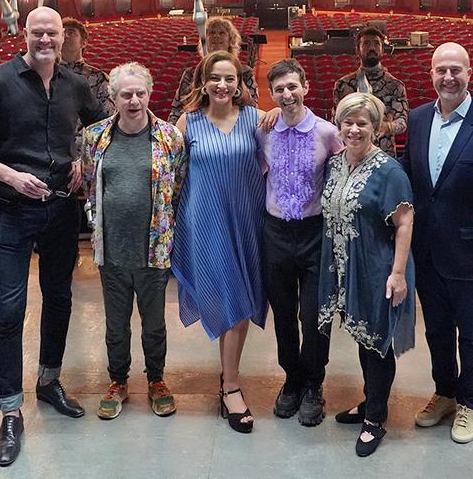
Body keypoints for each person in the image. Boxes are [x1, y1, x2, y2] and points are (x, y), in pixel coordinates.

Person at [0, 6, 107, 467]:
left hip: (60, 208)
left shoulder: (75, 84)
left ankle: (49, 381)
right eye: (37, 32)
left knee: (59, 299)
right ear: (24, 34)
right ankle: (10, 410)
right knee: (10, 308)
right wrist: (11, 176)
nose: (45, 40)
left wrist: (82, 156)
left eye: (52, 33)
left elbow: (100, 130)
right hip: (12, 210)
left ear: (63, 37)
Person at [400, 42, 473, 444]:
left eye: (456, 70)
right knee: (437, 332)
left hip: (470, 257)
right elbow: (410, 183)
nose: (448, 78)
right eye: (441, 70)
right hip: (426, 254)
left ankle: (469, 403)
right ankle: (445, 392)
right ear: (431, 74)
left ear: (470, 74)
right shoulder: (416, 120)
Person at [80, 62, 185, 420]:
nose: (135, 100)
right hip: (111, 250)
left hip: (154, 248)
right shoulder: (95, 137)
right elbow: (89, 186)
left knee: (154, 323)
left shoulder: (169, 137)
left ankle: (156, 380)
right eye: (126, 94)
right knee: (116, 324)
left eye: (140, 93)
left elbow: (179, 185)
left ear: (149, 94)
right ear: (113, 98)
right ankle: (118, 382)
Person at [173, 50, 266, 434]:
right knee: (229, 296)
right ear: (203, 82)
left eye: (230, 79)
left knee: (242, 300)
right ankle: (231, 386)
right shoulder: (186, 122)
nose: (223, 85)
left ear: (240, 83)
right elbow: (167, 173)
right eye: (215, 78)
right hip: (205, 222)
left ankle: (229, 377)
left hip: (248, 220)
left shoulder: (257, 119)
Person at [318, 92, 415, 457]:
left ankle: (375, 417)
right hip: (345, 266)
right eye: (348, 122)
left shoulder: (389, 170)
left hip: (378, 268)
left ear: (375, 127)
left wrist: (398, 274)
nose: (354, 129)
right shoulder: (335, 163)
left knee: (376, 342)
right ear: (338, 124)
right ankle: (369, 400)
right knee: (362, 337)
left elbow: (405, 222)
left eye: (362, 123)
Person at [255, 59, 343, 427]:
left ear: (305, 85)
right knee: (284, 315)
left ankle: (313, 383)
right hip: (275, 232)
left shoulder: (327, 132)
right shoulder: (264, 131)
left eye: (292, 86)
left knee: (315, 315)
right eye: (279, 90)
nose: (287, 94)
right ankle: (291, 378)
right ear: (271, 94)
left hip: (314, 232)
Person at [331, 27, 409, 156]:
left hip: (384, 154)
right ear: (358, 50)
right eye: (366, 43)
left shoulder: (395, 85)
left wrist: (387, 127)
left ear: (382, 50)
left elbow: (403, 122)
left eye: (376, 44)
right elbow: (336, 120)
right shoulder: (343, 85)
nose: (372, 48)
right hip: (353, 153)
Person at [168, 17, 258, 122]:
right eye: (211, 33)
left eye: (222, 33)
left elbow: (251, 107)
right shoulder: (190, 74)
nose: (216, 36)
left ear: (230, 41)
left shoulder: (245, 72)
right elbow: (177, 110)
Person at [61, 17, 115, 115]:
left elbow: (108, 115)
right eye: (62, 33)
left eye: (71, 32)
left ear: (84, 43)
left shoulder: (99, 77)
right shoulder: (47, 74)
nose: (65, 36)